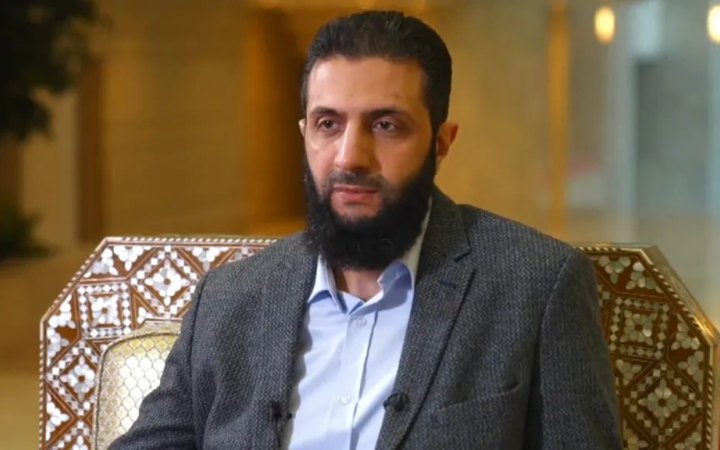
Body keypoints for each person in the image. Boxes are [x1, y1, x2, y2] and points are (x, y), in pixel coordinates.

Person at [111, 10, 622, 450]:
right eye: (328, 124)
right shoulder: (228, 302)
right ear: (304, 134)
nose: (349, 157)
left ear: (441, 144)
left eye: (386, 125)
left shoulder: (536, 288)